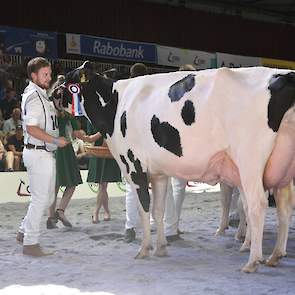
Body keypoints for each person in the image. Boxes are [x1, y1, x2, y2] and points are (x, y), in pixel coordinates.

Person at [16, 57, 68, 257]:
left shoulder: (41, 95)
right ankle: (31, 243)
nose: (49, 77)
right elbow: (32, 128)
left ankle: (23, 231)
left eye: (49, 74)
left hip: (43, 153)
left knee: (46, 199)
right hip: (38, 153)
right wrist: (55, 141)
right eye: (45, 74)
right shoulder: (33, 96)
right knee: (41, 199)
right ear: (34, 76)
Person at [47, 78, 101, 229]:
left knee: (54, 184)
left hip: (50, 148)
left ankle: (51, 218)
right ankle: (61, 210)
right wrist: (93, 137)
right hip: (65, 149)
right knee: (72, 183)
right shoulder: (68, 112)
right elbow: (79, 134)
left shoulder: (47, 109)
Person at [124, 63, 148, 242]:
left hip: (129, 147)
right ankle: (154, 224)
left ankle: (130, 228)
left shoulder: (124, 92)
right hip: (150, 146)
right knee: (156, 185)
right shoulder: (151, 91)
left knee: (131, 188)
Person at [87, 123, 122, 223]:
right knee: (103, 186)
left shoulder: (110, 117)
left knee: (103, 185)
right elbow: (91, 138)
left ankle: (96, 212)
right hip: (97, 153)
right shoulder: (91, 121)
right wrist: (101, 132)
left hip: (109, 152)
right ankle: (106, 211)